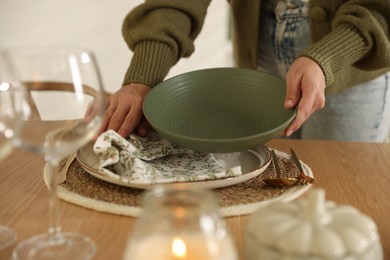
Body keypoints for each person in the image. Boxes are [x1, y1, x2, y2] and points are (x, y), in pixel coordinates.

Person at [98, 0, 390, 142]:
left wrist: (326, 56)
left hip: (351, 67)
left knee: (333, 198)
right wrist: (141, 78)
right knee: (272, 187)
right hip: (261, 67)